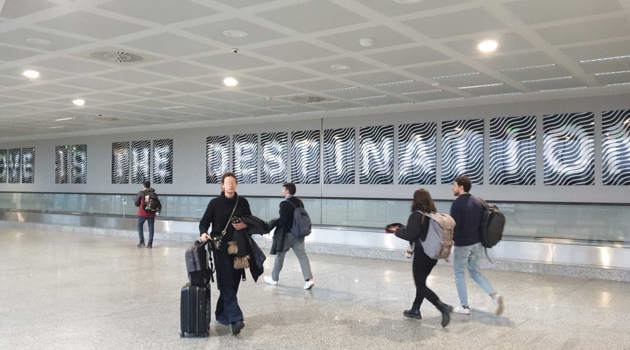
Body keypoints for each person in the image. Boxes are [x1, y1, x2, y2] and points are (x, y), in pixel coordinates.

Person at [387, 189, 453, 328]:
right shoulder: (432, 215)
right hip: (433, 255)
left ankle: (441, 307)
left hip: (422, 254)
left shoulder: (416, 215)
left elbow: (411, 235)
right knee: (421, 282)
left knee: (420, 285)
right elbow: (419, 232)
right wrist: (405, 228)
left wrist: (396, 231)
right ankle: (415, 310)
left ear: (415, 200)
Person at [199, 172, 251, 336]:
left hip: (238, 246)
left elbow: (249, 221)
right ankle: (236, 319)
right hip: (220, 247)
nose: (230, 185)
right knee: (227, 280)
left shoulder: (242, 202)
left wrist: (243, 225)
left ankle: (221, 314)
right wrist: (203, 233)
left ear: (236, 185)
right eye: (227, 182)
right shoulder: (215, 203)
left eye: (233, 182)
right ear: (222, 186)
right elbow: (204, 223)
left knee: (234, 281)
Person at [450, 175, 505, 316]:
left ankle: (464, 306)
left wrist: (449, 244)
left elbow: (454, 227)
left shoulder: (457, 204)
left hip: (463, 244)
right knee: (475, 272)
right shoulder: (479, 201)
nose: (453, 187)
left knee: (459, 273)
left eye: (454, 185)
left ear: (461, 186)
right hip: (478, 243)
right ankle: (494, 296)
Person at [264, 183, 315, 290]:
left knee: (279, 257)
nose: (282, 191)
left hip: (287, 235)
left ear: (287, 191)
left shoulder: (284, 204)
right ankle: (309, 280)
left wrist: (274, 223)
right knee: (302, 256)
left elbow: (283, 221)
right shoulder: (299, 202)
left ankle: (274, 279)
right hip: (299, 234)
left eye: (283, 189)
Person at [134, 180, 157, 248]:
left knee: (140, 226)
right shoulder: (154, 193)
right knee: (151, 228)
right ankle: (150, 244)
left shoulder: (141, 193)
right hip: (151, 213)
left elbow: (136, 203)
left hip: (142, 213)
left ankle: (142, 242)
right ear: (149, 185)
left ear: (143, 185)